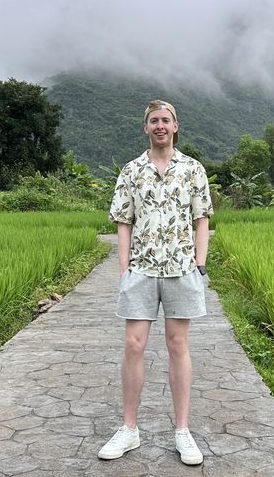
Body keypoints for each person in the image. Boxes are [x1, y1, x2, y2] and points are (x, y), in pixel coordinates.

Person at [98, 99, 213, 466]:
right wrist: (123, 269)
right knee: (134, 344)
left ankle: (182, 430)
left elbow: (202, 219)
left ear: (176, 126)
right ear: (146, 128)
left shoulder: (193, 170)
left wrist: (199, 264)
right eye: (154, 121)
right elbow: (123, 222)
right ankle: (129, 429)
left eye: (166, 120)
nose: (160, 125)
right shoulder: (132, 171)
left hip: (181, 269)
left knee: (178, 344)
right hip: (142, 269)